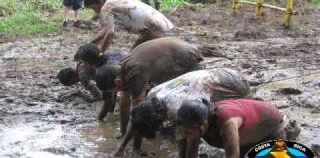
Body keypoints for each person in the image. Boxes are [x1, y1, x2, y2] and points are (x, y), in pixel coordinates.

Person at [76, 37, 203, 135]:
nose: (117, 92)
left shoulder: (131, 73)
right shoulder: (116, 62)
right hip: (177, 48)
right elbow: (124, 102)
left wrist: (129, 145)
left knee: (176, 97)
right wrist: (123, 132)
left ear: (89, 63)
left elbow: (137, 111)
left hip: (187, 58)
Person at [114, 68, 251, 156]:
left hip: (236, 85)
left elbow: (192, 140)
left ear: (159, 118)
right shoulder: (153, 95)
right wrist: (121, 148)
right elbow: (137, 119)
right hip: (223, 71)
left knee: (203, 127)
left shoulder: (177, 109)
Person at [174, 99, 301, 158]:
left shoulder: (227, 123)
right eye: (183, 131)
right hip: (245, 134)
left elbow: (233, 155)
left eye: (188, 132)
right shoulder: (195, 125)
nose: (186, 135)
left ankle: (289, 134)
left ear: (205, 125)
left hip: (270, 126)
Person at [83, 0, 174, 52]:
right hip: (160, 23)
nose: (95, 12)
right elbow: (105, 29)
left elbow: (110, 32)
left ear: (100, 1)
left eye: (93, 8)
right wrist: (92, 42)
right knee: (134, 53)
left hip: (153, 29)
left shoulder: (105, 8)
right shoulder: (113, 0)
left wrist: (100, 53)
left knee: (133, 56)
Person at [57, 50, 126, 120]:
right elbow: (112, 90)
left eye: (72, 83)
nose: (76, 83)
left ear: (72, 79)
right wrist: (110, 112)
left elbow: (107, 98)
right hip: (120, 61)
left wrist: (99, 119)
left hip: (124, 72)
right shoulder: (81, 62)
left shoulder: (86, 77)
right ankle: (112, 112)